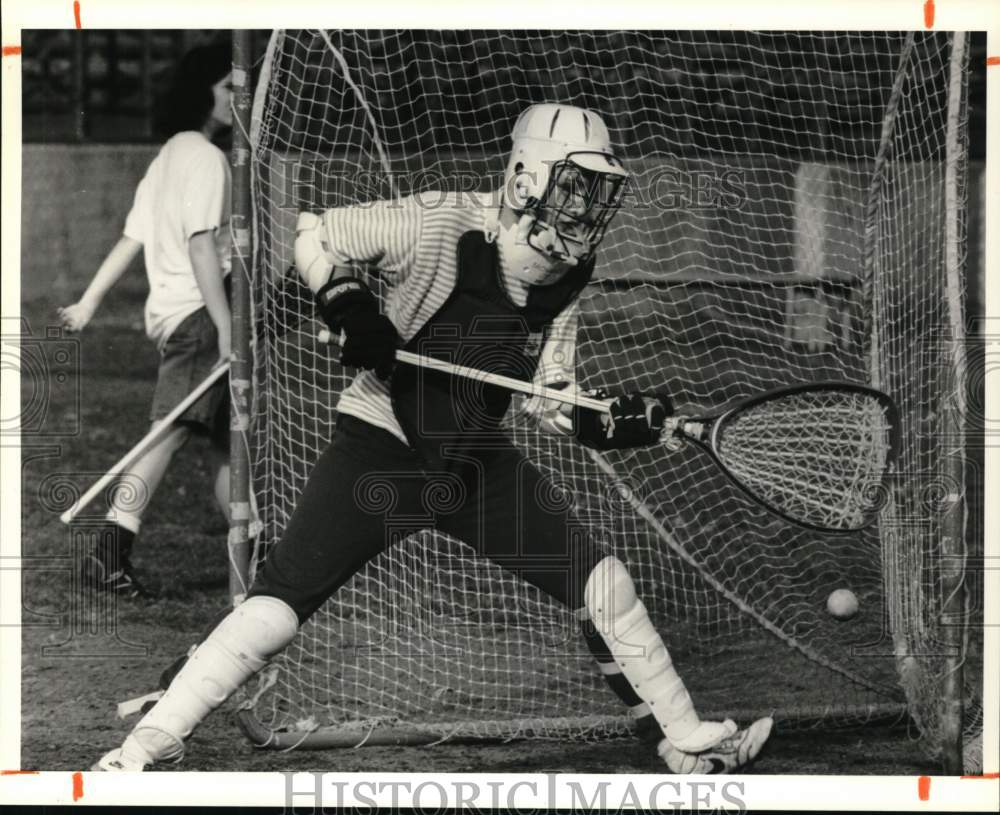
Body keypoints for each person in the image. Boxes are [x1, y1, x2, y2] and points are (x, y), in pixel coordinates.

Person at [93, 104, 772, 772]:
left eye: (596, 193)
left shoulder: (566, 276)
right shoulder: (440, 220)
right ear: (526, 176)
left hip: (476, 461)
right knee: (276, 612)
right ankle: (143, 748)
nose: (586, 208)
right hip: (379, 450)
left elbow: (550, 396)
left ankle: (684, 740)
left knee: (605, 584)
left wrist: (610, 418)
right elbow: (316, 233)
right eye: (575, 186)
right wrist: (351, 305)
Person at [59, 44, 234, 598]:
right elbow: (202, 246)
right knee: (171, 432)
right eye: (228, 87)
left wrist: (89, 302)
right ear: (201, 92)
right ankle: (111, 549)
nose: (238, 97)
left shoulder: (167, 156)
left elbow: (129, 239)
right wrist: (227, 326)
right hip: (200, 315)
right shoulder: (205, 159)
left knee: (229, 438)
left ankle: (255, 547)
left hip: (181, 314)